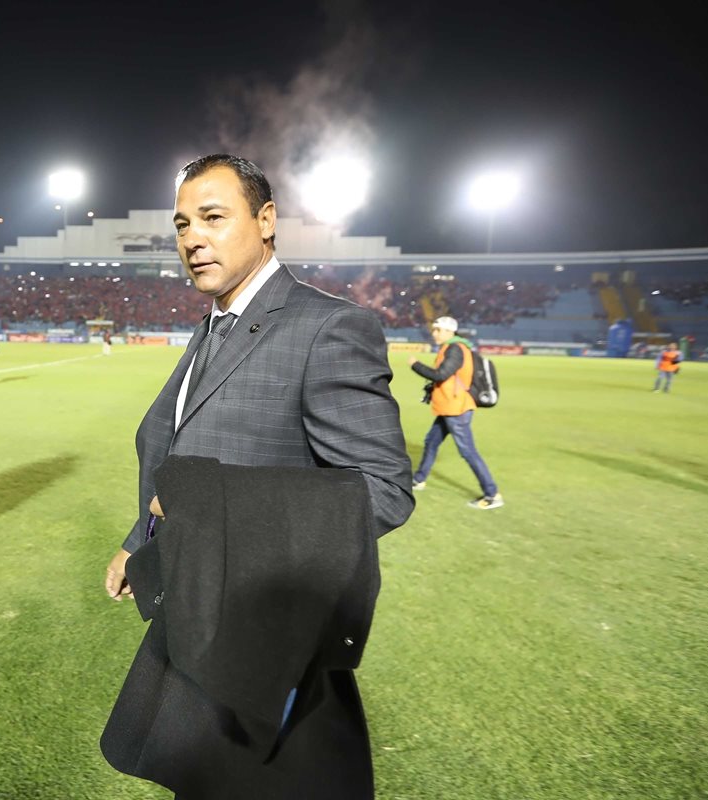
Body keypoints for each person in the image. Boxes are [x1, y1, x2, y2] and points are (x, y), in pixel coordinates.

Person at [100, 154, 414, 799]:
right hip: (199, 613)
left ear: (266, 220)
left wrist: (204, 513)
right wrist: (140, 543)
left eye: (213, 217)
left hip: (266, 638)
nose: (192, 238)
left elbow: (382, 490)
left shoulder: (327, 326)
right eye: (183, 224)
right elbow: (179, 451)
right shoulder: (217, 322)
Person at [407, 316, 503, 509]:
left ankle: (492, 494)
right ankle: (419, 479)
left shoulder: (455, 349)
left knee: (468, 452)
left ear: (450, 332)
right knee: (431, 442)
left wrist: (415, 365)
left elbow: (441, 374)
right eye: (434, 329)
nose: (434, 333)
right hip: (448, 407)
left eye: (438, 330)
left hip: (455, 409)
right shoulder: (453, 347)